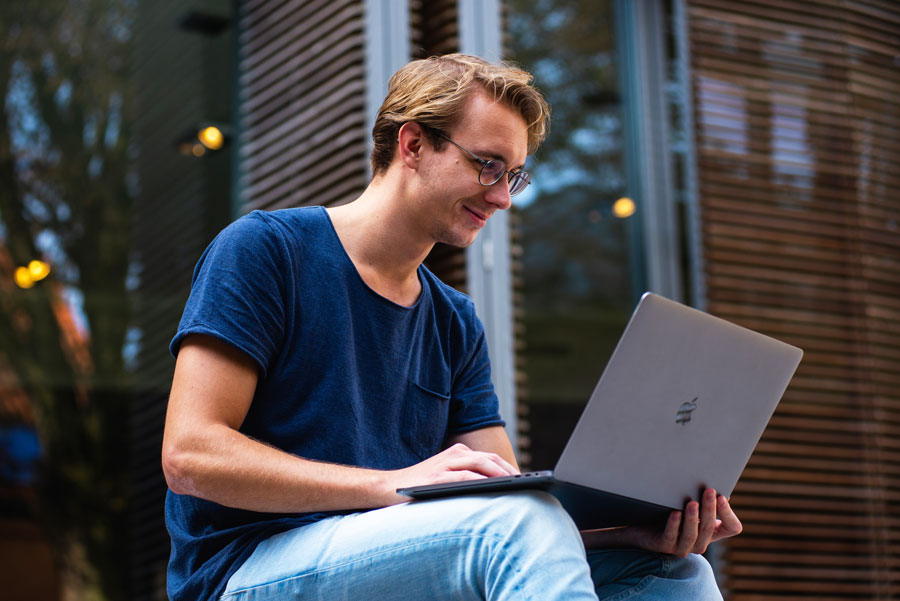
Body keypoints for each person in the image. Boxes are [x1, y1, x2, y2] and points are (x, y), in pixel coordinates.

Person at [161, 53, 742, 601]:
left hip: (394, 558)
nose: (502, 198)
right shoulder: (267, 251)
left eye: (514, 176)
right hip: (246, 569)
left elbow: (511, 509)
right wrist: (393, 484)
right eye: (488, 165)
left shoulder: (453, 319)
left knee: (674, 572)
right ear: (412, 144)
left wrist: (626, 533)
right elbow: (190, 456)